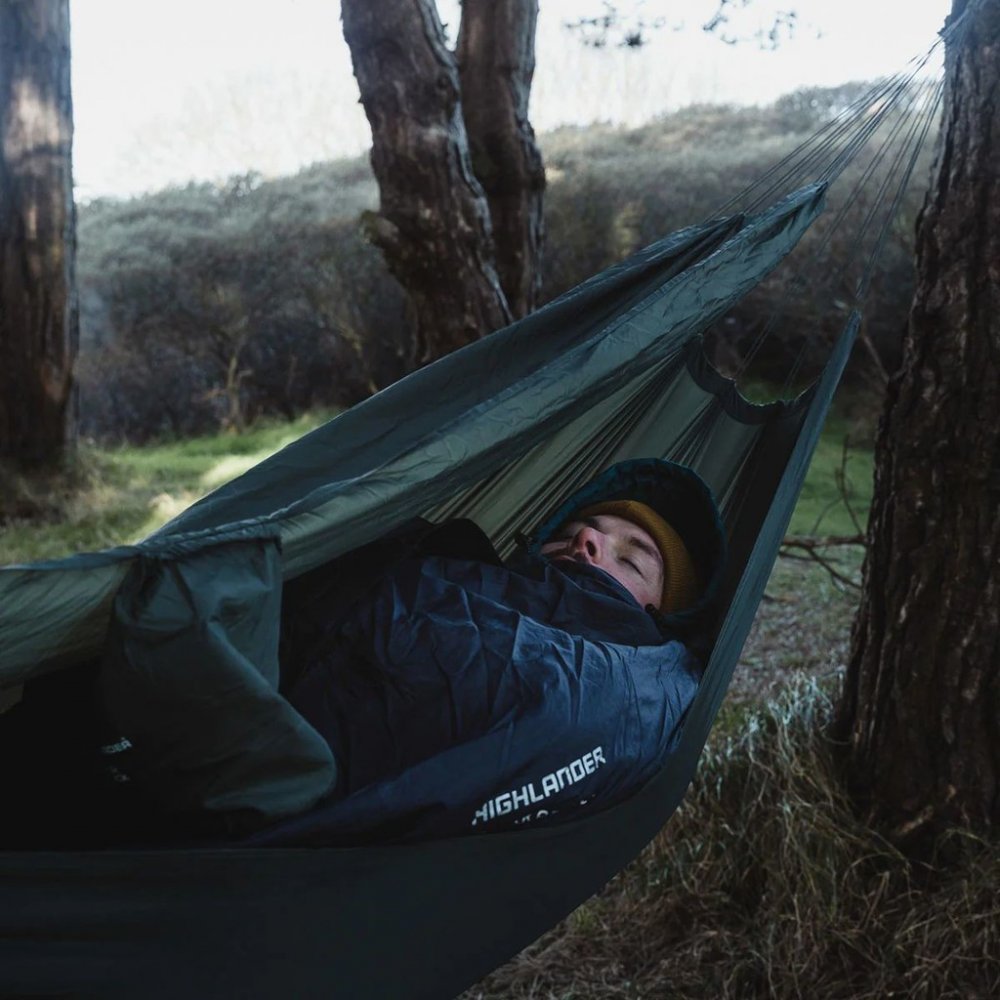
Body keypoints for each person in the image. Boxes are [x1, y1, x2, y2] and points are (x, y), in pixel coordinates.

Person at [252, 457, 726, 846]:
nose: (589, 539)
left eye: (631, 560)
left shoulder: (630, 688)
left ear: (657, 619)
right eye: (577, 528)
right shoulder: (446, 562)